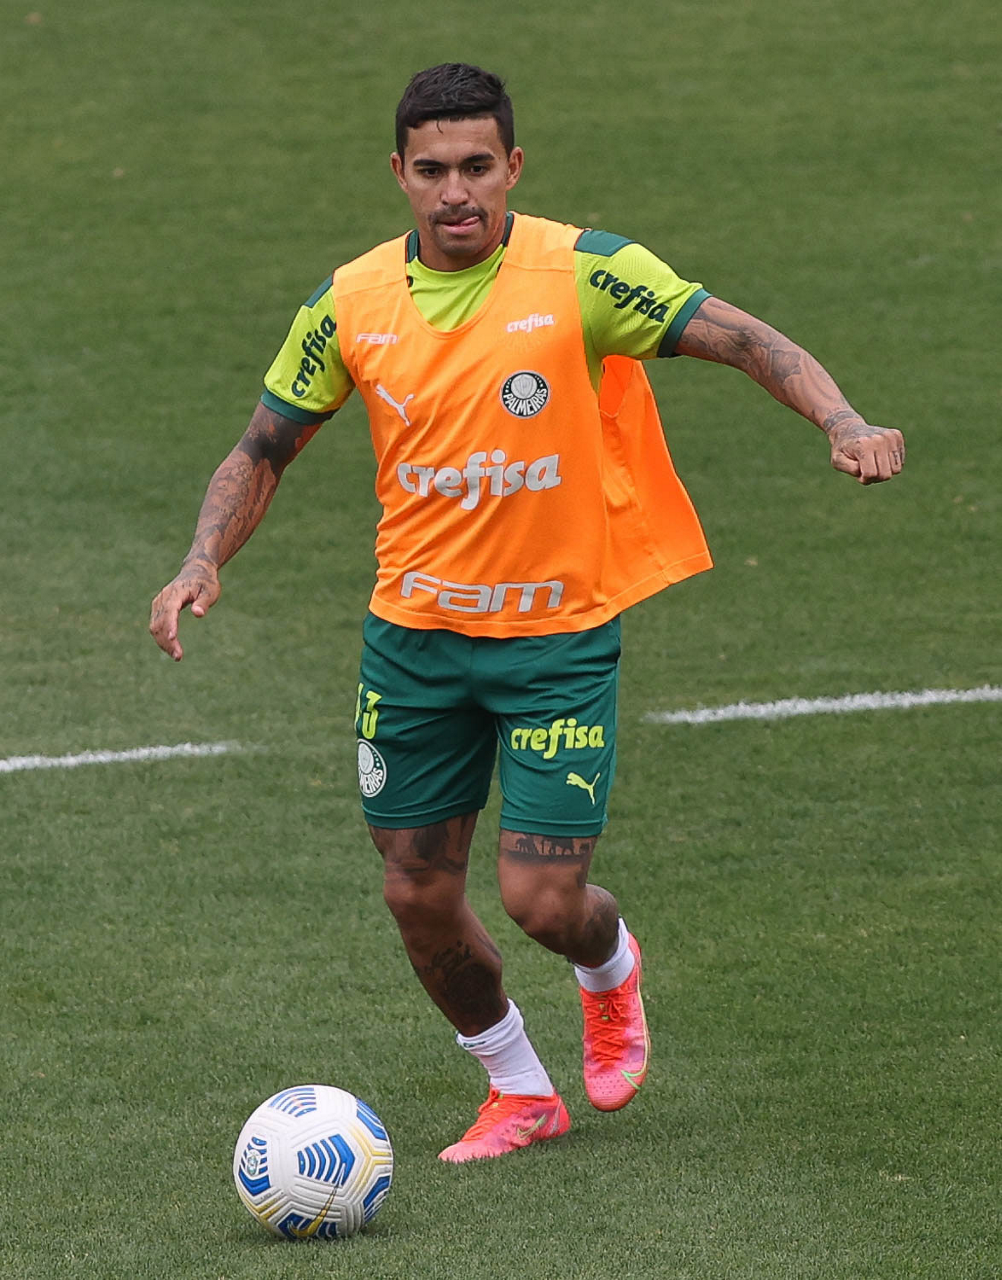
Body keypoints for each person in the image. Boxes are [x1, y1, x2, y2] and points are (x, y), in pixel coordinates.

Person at [150, 63, 905, 1163]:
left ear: (513, 166)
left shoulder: (586, 271)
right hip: (413, 644)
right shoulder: (350, 301)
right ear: (399, 173)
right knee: (416, 892)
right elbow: (264, 444)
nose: (455, 192)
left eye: (476, 167)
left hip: (555, 643)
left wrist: (843, 420)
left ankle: (610, 967)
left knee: (545, 901)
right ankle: (518, 1088)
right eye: (431, 170)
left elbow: (746, 338)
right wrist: (200, 559)